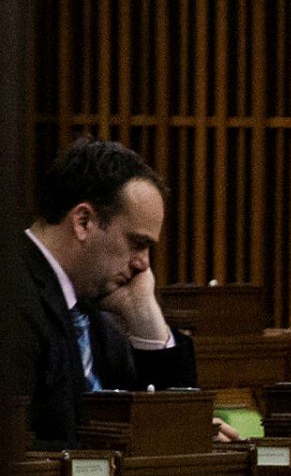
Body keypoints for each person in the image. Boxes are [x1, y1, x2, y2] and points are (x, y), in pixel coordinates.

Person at [3, 137, 219, 449]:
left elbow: (175, 440)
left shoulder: (93, 315)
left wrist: (144, 317)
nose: (144, 264)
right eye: (137, 243)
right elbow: (15, 453)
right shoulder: (12, 296)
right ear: (83, 222)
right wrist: (129, 445)